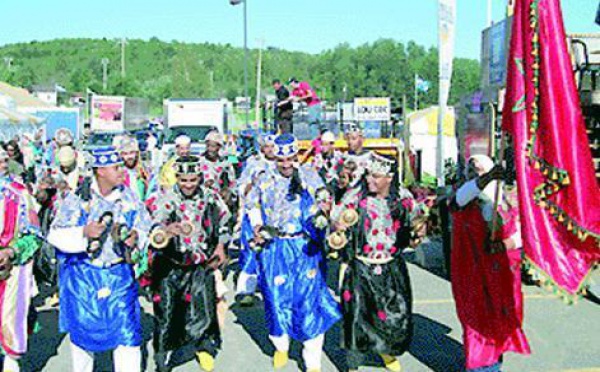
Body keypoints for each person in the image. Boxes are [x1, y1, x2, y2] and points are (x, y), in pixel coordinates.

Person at [48, 146, 152, 372]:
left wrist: (137, 237)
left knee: (127, 335)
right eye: (115, 167)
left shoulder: (129, 197)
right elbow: (54, 234)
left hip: (118, 275)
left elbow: (145, 226)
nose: (121, 171)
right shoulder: (78, 199)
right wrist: (83, 232)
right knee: (82, 337)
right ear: (100, 171)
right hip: (84, 276)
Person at [242, 134, 341, 372]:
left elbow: (323, 196)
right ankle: (281, 346)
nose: (286, 164)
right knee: (276, 301)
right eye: (281, 159)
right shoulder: (263, 178)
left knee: (309, 302)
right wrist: (256, 225)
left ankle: (313, 362)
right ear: (274, 157)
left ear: (297, 155)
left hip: (304, 247)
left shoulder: (307, 174)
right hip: (274, 247)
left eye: (291, 158)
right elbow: (251, 204)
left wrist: (324, 207)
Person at [332, 153, 415, 372]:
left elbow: (418, 217)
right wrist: (338, 226)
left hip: (390, 266)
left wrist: (419, 225)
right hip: (361, 266)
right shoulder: (355, 197)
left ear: (389, 178)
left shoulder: (402, 198)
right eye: (368, 175)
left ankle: (387, 354)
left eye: (376, 176)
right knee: (356, 316)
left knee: (395, 315)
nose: (370, 180)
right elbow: (336, 216)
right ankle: (352, 365)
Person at [147, 155, 231, 372]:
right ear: (177, 178)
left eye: (193, 180)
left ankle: (204, 348)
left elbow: (224, 221)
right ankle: (163, 356)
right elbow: (155, 223)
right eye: (184, 180)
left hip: (200, 263)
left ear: (199, 178)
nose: (188, 185)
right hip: (171, 263)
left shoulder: (210, 197)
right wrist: (166, 229)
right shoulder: (166, 198)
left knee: (203, 310)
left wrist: (221, 246)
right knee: (166, 312)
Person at [450, 155, 531, 372]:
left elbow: (524, 233)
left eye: (479, 169)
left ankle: (494, 363)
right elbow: (462, 196)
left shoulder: (509, 199)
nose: (473, 172)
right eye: (471, 170)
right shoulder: (465, 201)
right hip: (474, 274)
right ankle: (481, 367)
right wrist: (484, 179)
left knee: (501, 321)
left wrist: (505, 244)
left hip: (504, 274)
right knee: (477, 325)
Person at [0, 148, 41, 372]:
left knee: (8, 329)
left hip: (10, 272)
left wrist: (11, 252)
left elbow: (34, 235)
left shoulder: (18, 194)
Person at [235, 134, 277, 306]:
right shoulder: (253, 163)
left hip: (275, 215)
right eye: (266, 146)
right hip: (255, 211)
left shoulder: (282, 164)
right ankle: (246, 290)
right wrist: (253, 182)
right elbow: (241, 188)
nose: (270, 150)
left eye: (272, 146)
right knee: (251, 250)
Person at [116, 136, 152, 201]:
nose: (129, 156)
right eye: (125, 153)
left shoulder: (144, 171)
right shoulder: (118, 174)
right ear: (121, 155)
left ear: (137, 153)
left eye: (132, 152)